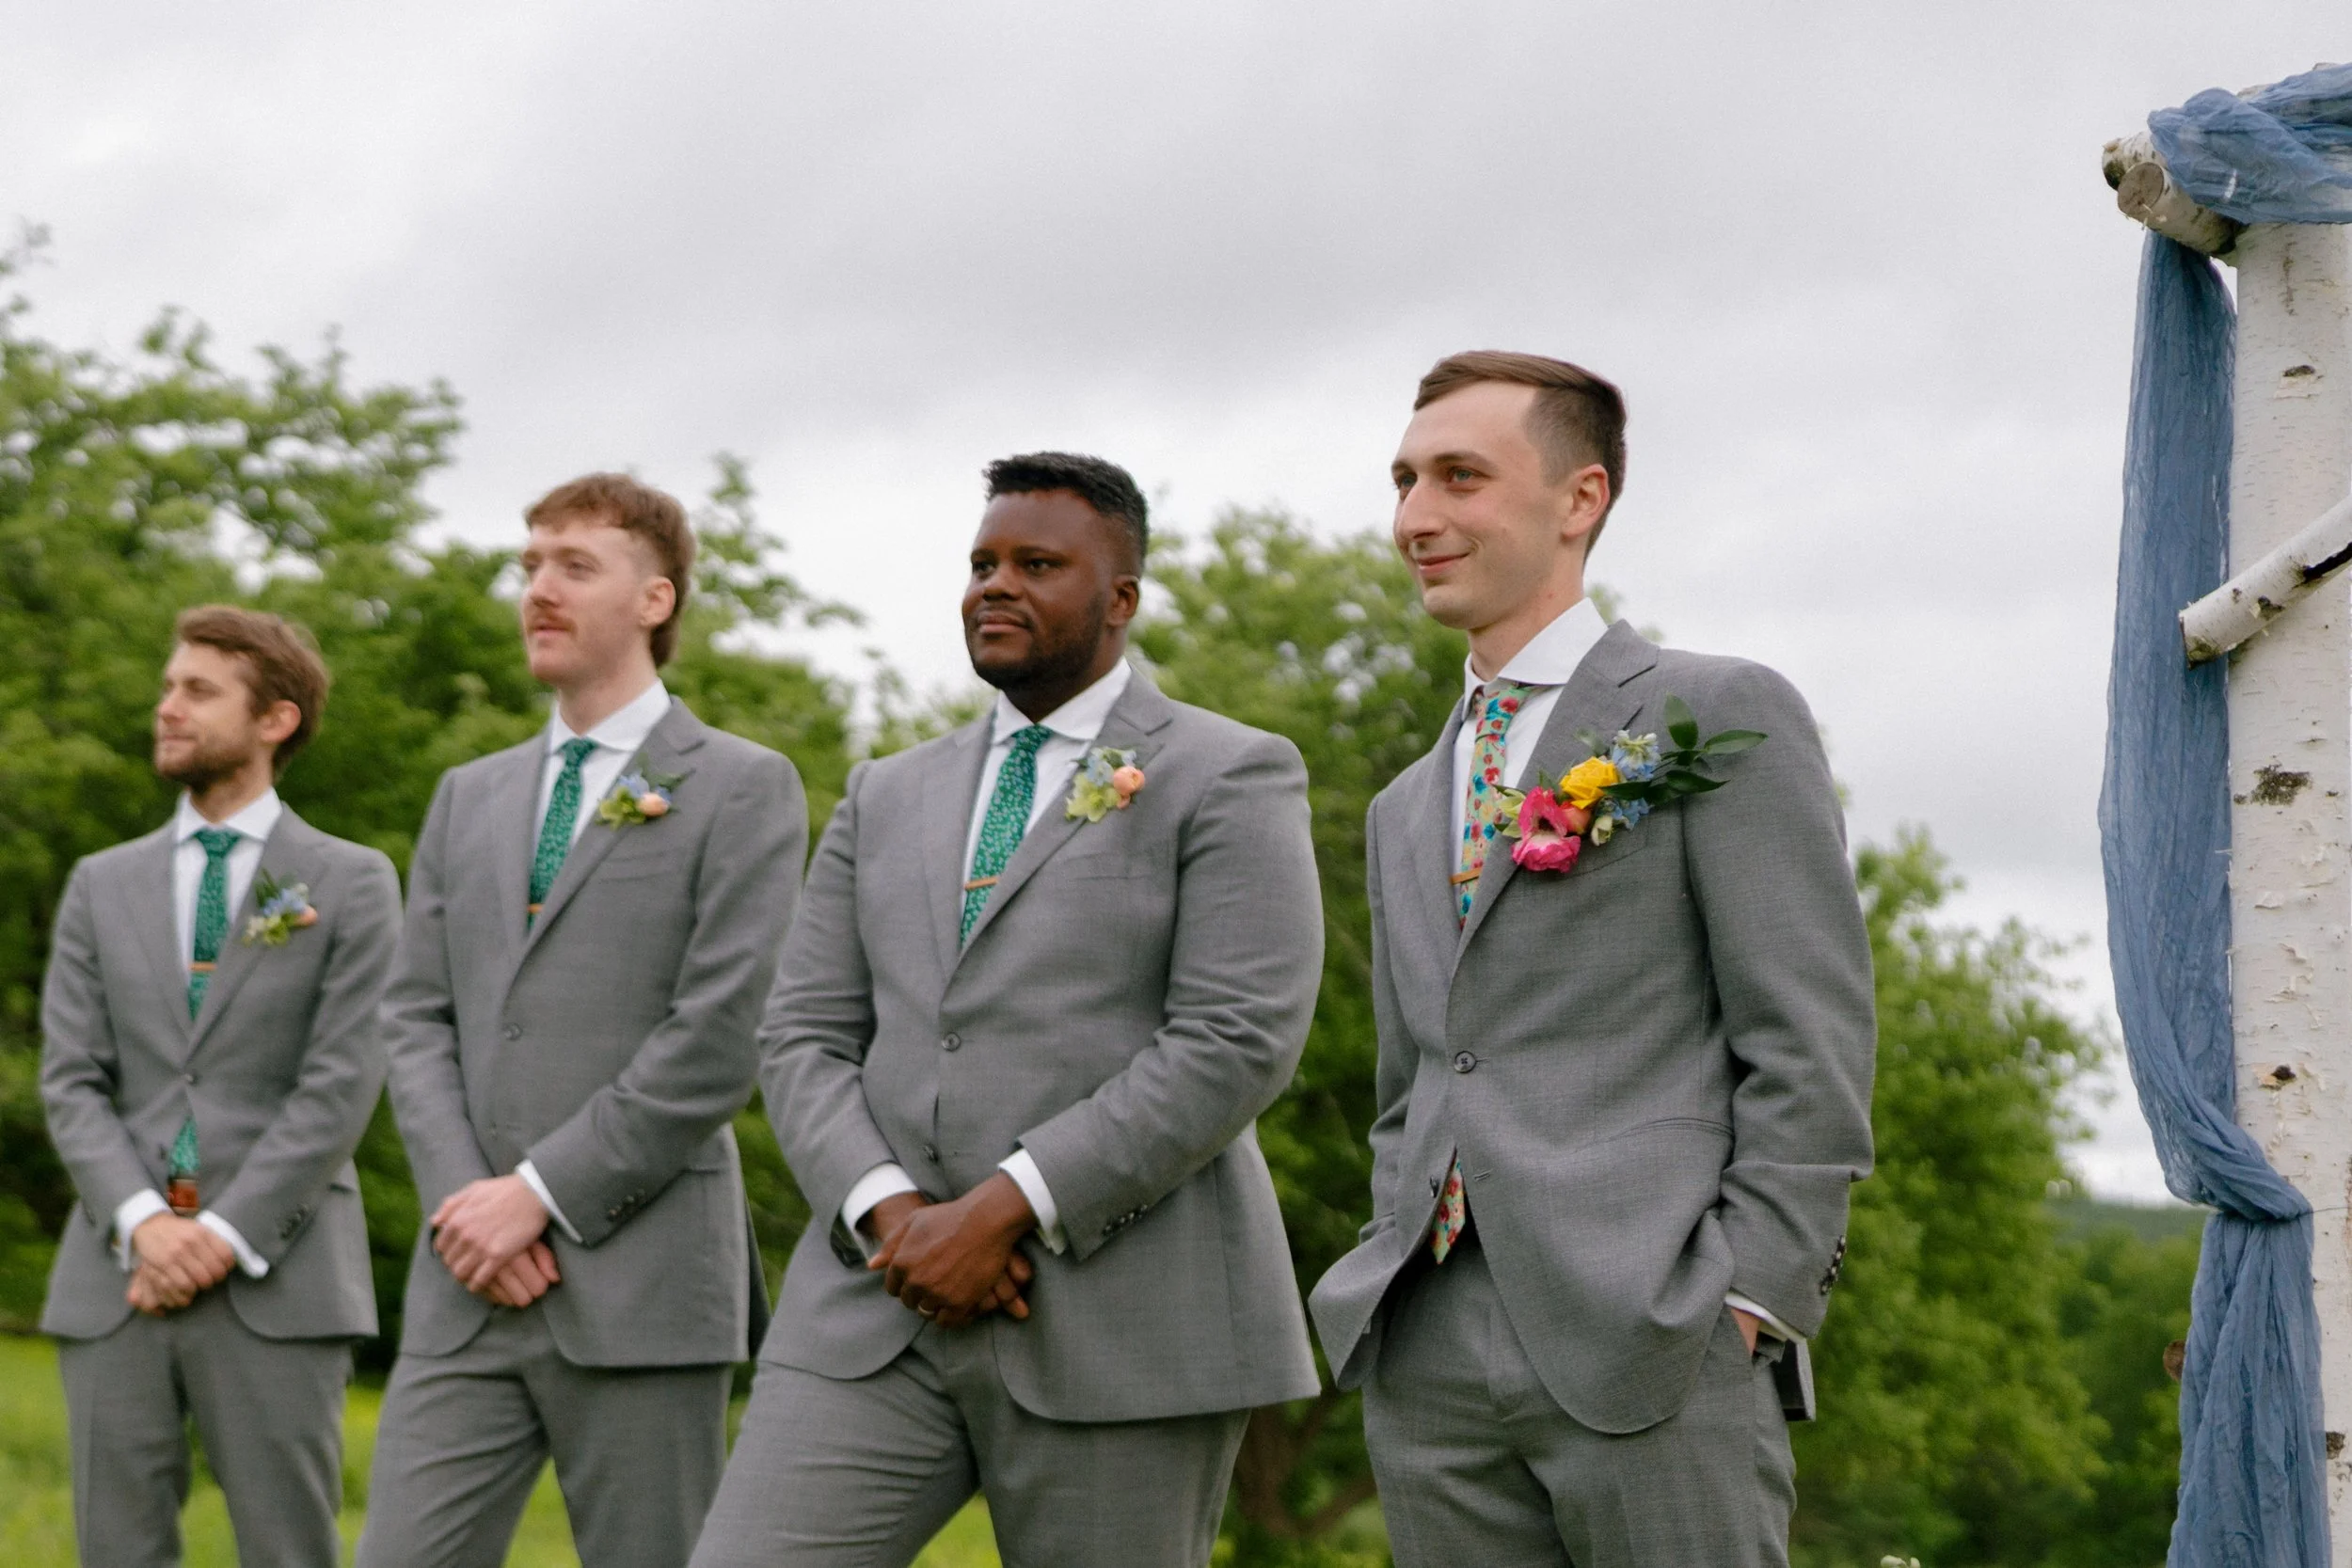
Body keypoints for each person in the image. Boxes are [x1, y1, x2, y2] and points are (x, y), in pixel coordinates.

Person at [691, 452, 1324, 1568]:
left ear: (1120, 598)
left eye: (1037, 563)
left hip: (1126, 1322)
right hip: (872, 1311)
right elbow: (800, 1032)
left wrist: (999, 1211)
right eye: (982, 562)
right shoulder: (887, 790)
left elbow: (1235, 1037)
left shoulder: (1228, 773)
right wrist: (893, 1217)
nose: (995, 584)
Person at [1308, 352, 1876, 1567]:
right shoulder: (1406, 802)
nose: (1417, 515)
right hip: (1428, 1345)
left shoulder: (1711, 713)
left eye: (1461, 475)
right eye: (1404, 480)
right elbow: (1416, 1076)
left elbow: (1808, 1039)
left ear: (1581, 498)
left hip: (1660, 1328)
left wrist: (1752, 1294)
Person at [357, 473, 806, 1568]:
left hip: (643, 1286)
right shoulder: (470, 792)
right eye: (529, 566)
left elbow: (717, 1036)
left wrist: (538, 1195)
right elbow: (414, 1015)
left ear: (655, 598)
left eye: (574, 564)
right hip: (466, 1285)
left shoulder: (745, 785)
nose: (538, 589)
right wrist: (474, 1207)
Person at [40, 605, 401, 1568]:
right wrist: (145, 1222)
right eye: (168, 686)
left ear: (276, 719)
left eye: (197, 690)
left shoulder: (353, 881)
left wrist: (222, 1234)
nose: (168, 706)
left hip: (278, 1277)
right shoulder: (99, 883)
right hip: (117, 1277)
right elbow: (71, 1076)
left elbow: (341, 1079)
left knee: (289, 1550)